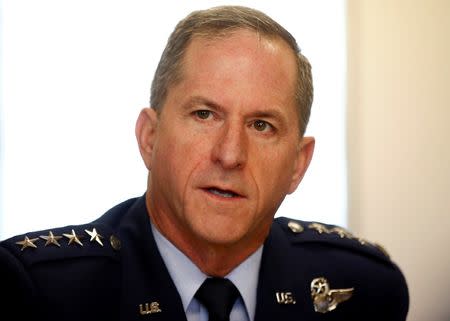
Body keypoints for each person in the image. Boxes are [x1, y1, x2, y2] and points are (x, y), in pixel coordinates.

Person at [0, 5, 408, 321]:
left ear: (298, 165)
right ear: (149, 137)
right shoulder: (40, 293)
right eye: (204, 115)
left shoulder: (363, 289)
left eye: (262, 125)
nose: (229, 154)